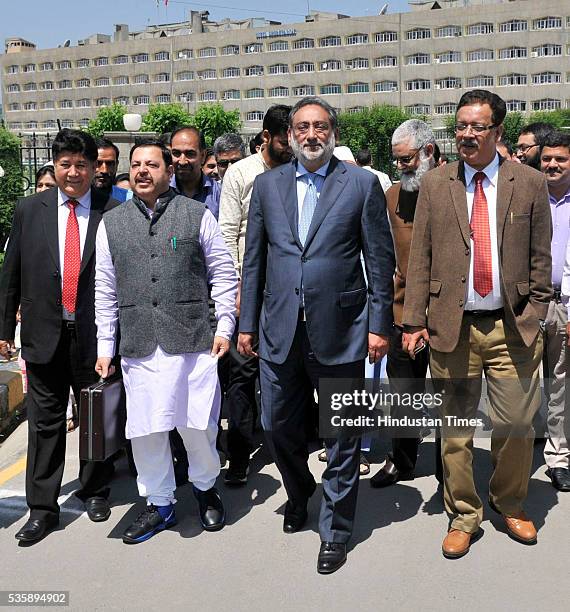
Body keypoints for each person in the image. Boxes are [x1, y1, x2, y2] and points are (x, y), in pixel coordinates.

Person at [238, 97, 395, 574]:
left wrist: (379, 324)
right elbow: (255, 261)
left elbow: (380, 260)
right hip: (278, 327)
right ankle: (301, 489)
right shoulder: (267, 186)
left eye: (320, 126)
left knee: (344, 434)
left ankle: (335, 531)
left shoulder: (362, 185)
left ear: (333, 132)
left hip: (342, 330)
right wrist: (246, 323)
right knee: (275, 424)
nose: (311, 134)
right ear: (289, 133)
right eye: (302, 127)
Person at [402, 90, 552, 559]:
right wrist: (412, 321)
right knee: (456, 429)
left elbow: (541, 257)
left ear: (497, 131)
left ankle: (509, 501)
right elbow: (420, 255)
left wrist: (538, 312)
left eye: (477, 127)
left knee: (517, 421)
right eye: (461, 125)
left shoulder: (527, 182)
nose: (467, 134)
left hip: (513, 325)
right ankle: (463, 514)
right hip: (453, 326)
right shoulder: (435, 183)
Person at [94, 140, 238, 543]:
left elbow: (224, 274)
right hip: (139, 345)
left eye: (151, 164)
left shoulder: (196, 215)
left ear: (168, 170)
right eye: (136, 164)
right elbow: (105, 289)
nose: (142, 171)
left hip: (193, 342)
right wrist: (106, 347)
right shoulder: (113, 223)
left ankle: (207, 490)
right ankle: (160, 504)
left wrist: (224, 326)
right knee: (146, 431)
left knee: (198, 427)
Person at [0, 129, 120, 543]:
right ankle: (43, 508)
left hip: (95, 336)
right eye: (65, 164)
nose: (73, 173)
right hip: (43, 333)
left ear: (94, 168)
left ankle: (95, 489)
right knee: (44, 424)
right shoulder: (29, 209)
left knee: (95, 418)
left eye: (81, 165)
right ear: (54, 164)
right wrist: (2, 329)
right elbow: (10, 272)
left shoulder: (114, 210)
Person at [218, 105, 292, 486]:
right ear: (266, 137)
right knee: (243, 375)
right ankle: (240, 456)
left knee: (292, 369)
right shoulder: (241, 173)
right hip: (248, 289)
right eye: (284, 140)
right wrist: (236, 290)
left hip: (289, 289)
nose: (291, 145)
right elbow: (228, 234)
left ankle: (299, 443)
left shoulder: (300, 169)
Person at [370, 119, 437, 488]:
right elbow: (382, 256)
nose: (401, 168)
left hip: (446, 315)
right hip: (400, 314)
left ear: (428, 151)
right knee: (403, 395)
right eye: (396, 161)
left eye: (407, 159)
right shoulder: (392, 196)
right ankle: (402, 459)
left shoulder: (455, 188)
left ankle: (450, 465)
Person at [541, 131, 570, 492]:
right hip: (530, 303)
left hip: (564, 303)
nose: (552, 164)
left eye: (560, 159)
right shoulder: (528, 195)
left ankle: (558, 456)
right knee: (523, 382)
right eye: (547, 158)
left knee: (560, 382)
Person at [170, 127, 221, 220]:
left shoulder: (219, 193)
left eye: (190, 154)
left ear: (202, 156)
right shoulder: (160, 192)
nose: (182, 161)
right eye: (176, 153)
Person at [93, 138, 128, 203]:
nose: (104, 170)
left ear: (116, 165)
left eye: (110, 164)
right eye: (98, 163)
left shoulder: (129, 199)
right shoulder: (73, 200)